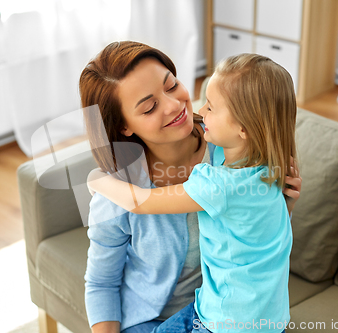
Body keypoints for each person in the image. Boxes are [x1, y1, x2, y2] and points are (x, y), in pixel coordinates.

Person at [80, 42, 302, 333]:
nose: (175, 105)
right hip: (153, 320)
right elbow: (101, 283)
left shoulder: (234, 151)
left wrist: (283, 204)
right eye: (149, 107)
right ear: (124, 126)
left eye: (171, 86)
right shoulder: (117, 191)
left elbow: (252, 240)